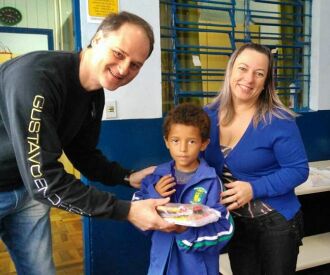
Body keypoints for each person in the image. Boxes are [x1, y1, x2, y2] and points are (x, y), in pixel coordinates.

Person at [0, 11, 176, 275]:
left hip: (27, 192)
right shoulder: (35, 78)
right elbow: (45, 180)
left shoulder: (95, 94)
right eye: (118, 53)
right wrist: (127, 211)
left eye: (135, 65)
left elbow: (83, 154)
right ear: (96, 39)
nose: (124, 69)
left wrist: (127, 177)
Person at [202, 42, 309, 275]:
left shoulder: (278, 120)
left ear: (265, 83)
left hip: (276, 223)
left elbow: (299, 170)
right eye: (243, 68)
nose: (249, 79)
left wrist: (253, 188)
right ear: (230, 70)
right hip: (236, 222)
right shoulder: (207, 116)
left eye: (259, 74)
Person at [133, 103, 234, 275]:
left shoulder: (211, 181)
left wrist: (186, 232)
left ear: (203, 144)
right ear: (166, 142)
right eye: (175, 140)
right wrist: (154, 194)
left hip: (198, 268)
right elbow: (135, 213)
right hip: (161, 267)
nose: (183, 148)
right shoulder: (156, 177)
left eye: (192, 141)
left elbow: (225, 229)